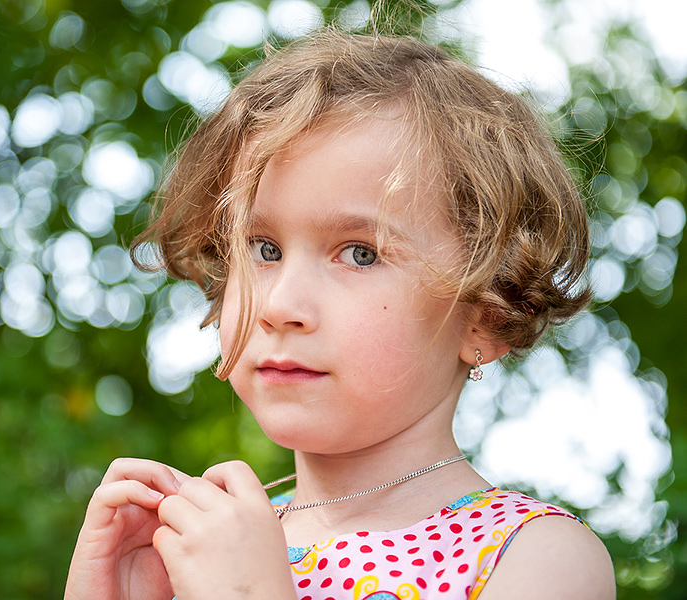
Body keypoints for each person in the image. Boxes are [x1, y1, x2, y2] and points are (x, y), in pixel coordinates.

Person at [64, 29, 616, 600]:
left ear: (486, 314)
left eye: (359, 254)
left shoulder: (536, 559)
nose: (280, 306)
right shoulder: (205, 548)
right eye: (264, 249)